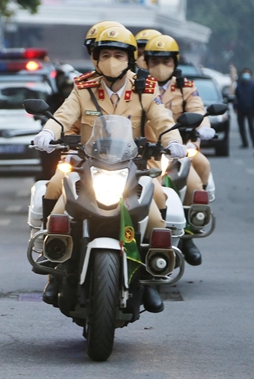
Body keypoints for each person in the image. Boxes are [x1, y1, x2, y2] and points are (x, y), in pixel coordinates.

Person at [32, 26, 186, 313]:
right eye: (106, 54)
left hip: (133, 167)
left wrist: (173, 141)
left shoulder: (145, 88)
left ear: (129, 58)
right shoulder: (83, 87)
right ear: (95, 57)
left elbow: (163, 119)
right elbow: (63, 116)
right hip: (85, 165)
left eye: (118, 54)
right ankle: (53, 265)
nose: (112, 60)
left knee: (160, 206)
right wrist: (47, 132)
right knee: (55, 190)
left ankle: (151, 277)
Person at [143, 34, 215, 265]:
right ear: (145, 62)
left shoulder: (185, 87)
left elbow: (198, 110)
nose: (160, 67)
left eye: (166, 61)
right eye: (154, 61)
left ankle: (188, 235)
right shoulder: (139, 86)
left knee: (198, 175)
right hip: (146, 150)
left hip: (181, 149)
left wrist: (202, 130)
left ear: (175, 62)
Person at [233, 68, 254, 149]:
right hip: (241, 109)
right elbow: (235, 98)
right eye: (245, 73)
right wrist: (235, 107)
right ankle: (244, 143)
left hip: (251, 109)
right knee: (241, 127)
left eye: (248, 73)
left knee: (252, 126)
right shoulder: (239, 86)